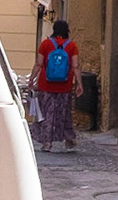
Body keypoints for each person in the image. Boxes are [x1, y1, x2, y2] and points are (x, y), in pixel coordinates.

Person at [31, 20, 81, 152]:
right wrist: (79, 83)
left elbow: (39, 64)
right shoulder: (72, 46)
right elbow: (75, 66)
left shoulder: (45, 44)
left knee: (46, 113)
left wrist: (31, 79)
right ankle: (68, 137)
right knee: (63, 113)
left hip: (46, 85)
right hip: (64, 86)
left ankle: (47, 143)